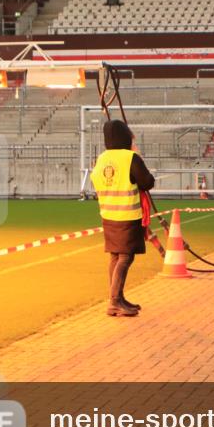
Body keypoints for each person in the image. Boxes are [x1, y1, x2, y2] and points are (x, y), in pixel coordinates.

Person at [90, 120, 155, 317]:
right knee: (126, 256)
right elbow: (147, 182)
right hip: (127, 214)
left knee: (115, 256)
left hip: (108, 214)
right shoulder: (130, 157)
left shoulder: (102, 158)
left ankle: (118, 296)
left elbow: (95, 179)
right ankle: (115, 301)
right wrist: (137, 155)